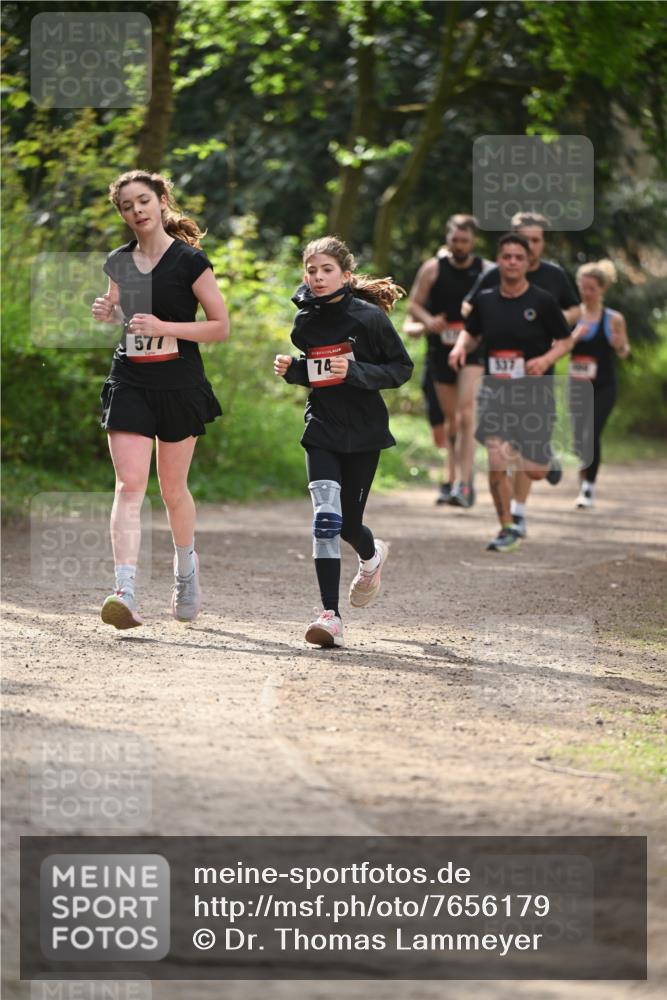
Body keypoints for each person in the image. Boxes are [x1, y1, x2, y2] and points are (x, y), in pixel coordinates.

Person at [92, 170, 229, 629]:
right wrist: (107, 313)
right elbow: (122, 318)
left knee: (172, 491)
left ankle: (186, 571)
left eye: (143, 200)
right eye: (127, 205)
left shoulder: (190, 261)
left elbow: (219, 327)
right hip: (130, 378)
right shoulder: (118, 262)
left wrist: (166, 328)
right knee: (129, 485)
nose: (137, 210)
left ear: (161, 200)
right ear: (122, 213)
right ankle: (125, 590)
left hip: (178, 384)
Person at [274, 236, 413, 648]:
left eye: (327, 270)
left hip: (364, 430)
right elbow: (316, 372)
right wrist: (293, 370)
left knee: (349, 524)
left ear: (346, 276)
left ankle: (371, 557)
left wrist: (355, 373)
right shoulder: (305, 323)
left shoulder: (370, 319)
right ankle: (329, 615)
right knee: (325, 520)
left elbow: (400, 368)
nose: (317, 278)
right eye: (312, 271)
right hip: (322, 426)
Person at [449, 233, 573, 552]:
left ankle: (547, 461)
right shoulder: (486, 299)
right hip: (496, 393)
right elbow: (471, 333)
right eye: (506, 257)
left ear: (528, 261)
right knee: (496, 462)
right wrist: (460, 348)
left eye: (519, 257)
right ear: (499, 260)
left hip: (534, 393)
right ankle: (507, 526)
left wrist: (545, 360)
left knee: (532, 469)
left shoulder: (542, 301)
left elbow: (565, 340)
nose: (512, 262)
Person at [407, 215, 492, 508]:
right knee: (451, 419)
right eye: (454, 240)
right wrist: (430, 321)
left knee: (467, 414)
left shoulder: (486, 270)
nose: (459, 245)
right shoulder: (432, 269)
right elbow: (414, 304)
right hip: (441, 351)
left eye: (464, 241)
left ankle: (466, 484)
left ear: (473, 242)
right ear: (448, 239)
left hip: (472, 351)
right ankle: (452, 477)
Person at [569, 260, 630, 508]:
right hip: (577, 385)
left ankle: (588, 488)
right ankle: (583, 477)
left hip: (604, 385)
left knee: (591, 432)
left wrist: (619, 345)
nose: (586, 293)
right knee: (578, 438)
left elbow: (625, 350)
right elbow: (556, 346)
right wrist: (574, 336)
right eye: (583, 288)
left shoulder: (614, 319)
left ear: (602, 289)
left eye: (591, 288)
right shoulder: (573, 315)